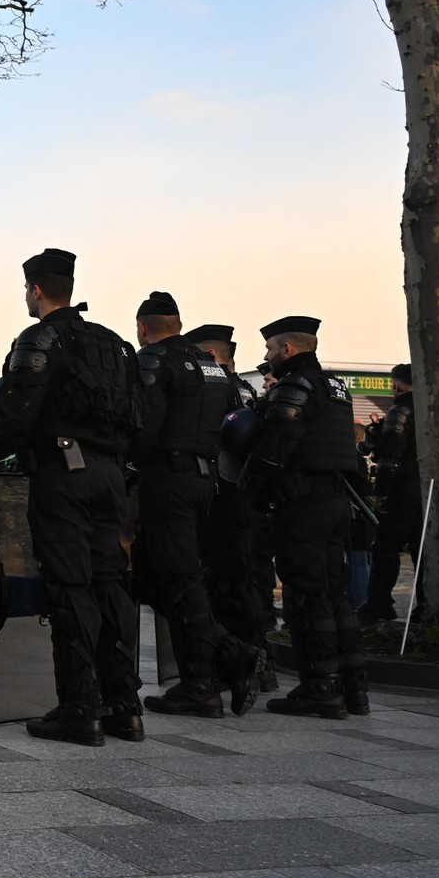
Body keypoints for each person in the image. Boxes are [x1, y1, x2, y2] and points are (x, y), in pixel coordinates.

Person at [0, 249, 144, 747]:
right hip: (110, 473)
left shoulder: (40, 339)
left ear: (36, 290)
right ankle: (124, 706)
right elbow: (138, 414)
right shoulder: (114, 343)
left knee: (69, 589)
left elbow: (18, 412)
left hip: (62, 475)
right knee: (110, 583)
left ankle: (79, 708)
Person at [127, 293, 260, 718]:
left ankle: (221, 661)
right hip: (205, 479)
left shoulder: (154, 360)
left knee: (175, 580)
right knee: (167, 578)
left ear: (143, 328)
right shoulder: (212, 368)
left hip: (167, 479)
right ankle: (201, 677)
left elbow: (143, 427)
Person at [240, 316, 369, 718]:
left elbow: (273, 448)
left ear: (288, 349)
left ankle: (319, 688)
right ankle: (352, 688)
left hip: (301, 506)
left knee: (306, 596)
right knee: (335, 594)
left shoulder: (295, 386)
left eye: (270, 349)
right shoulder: (336, 387)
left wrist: (251, 493)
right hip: (334, 502)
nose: (267, 356)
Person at [187, 323, 276, 690]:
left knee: (230, 583)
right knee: (240, 580)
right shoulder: (245, 390)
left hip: (225, 498)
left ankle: (250, 660)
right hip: (243, 498)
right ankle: (252, 661)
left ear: (210, 356)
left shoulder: (217, 388)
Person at [361, 363, 421, 624]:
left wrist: (381, 494)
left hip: (402, 488)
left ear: (395, 385)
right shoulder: (434, 409)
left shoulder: (400, 410)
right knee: (421, 550)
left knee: (386, 547)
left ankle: (379, 603)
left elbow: (390, 461)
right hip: (426, 487)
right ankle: (425, 606)